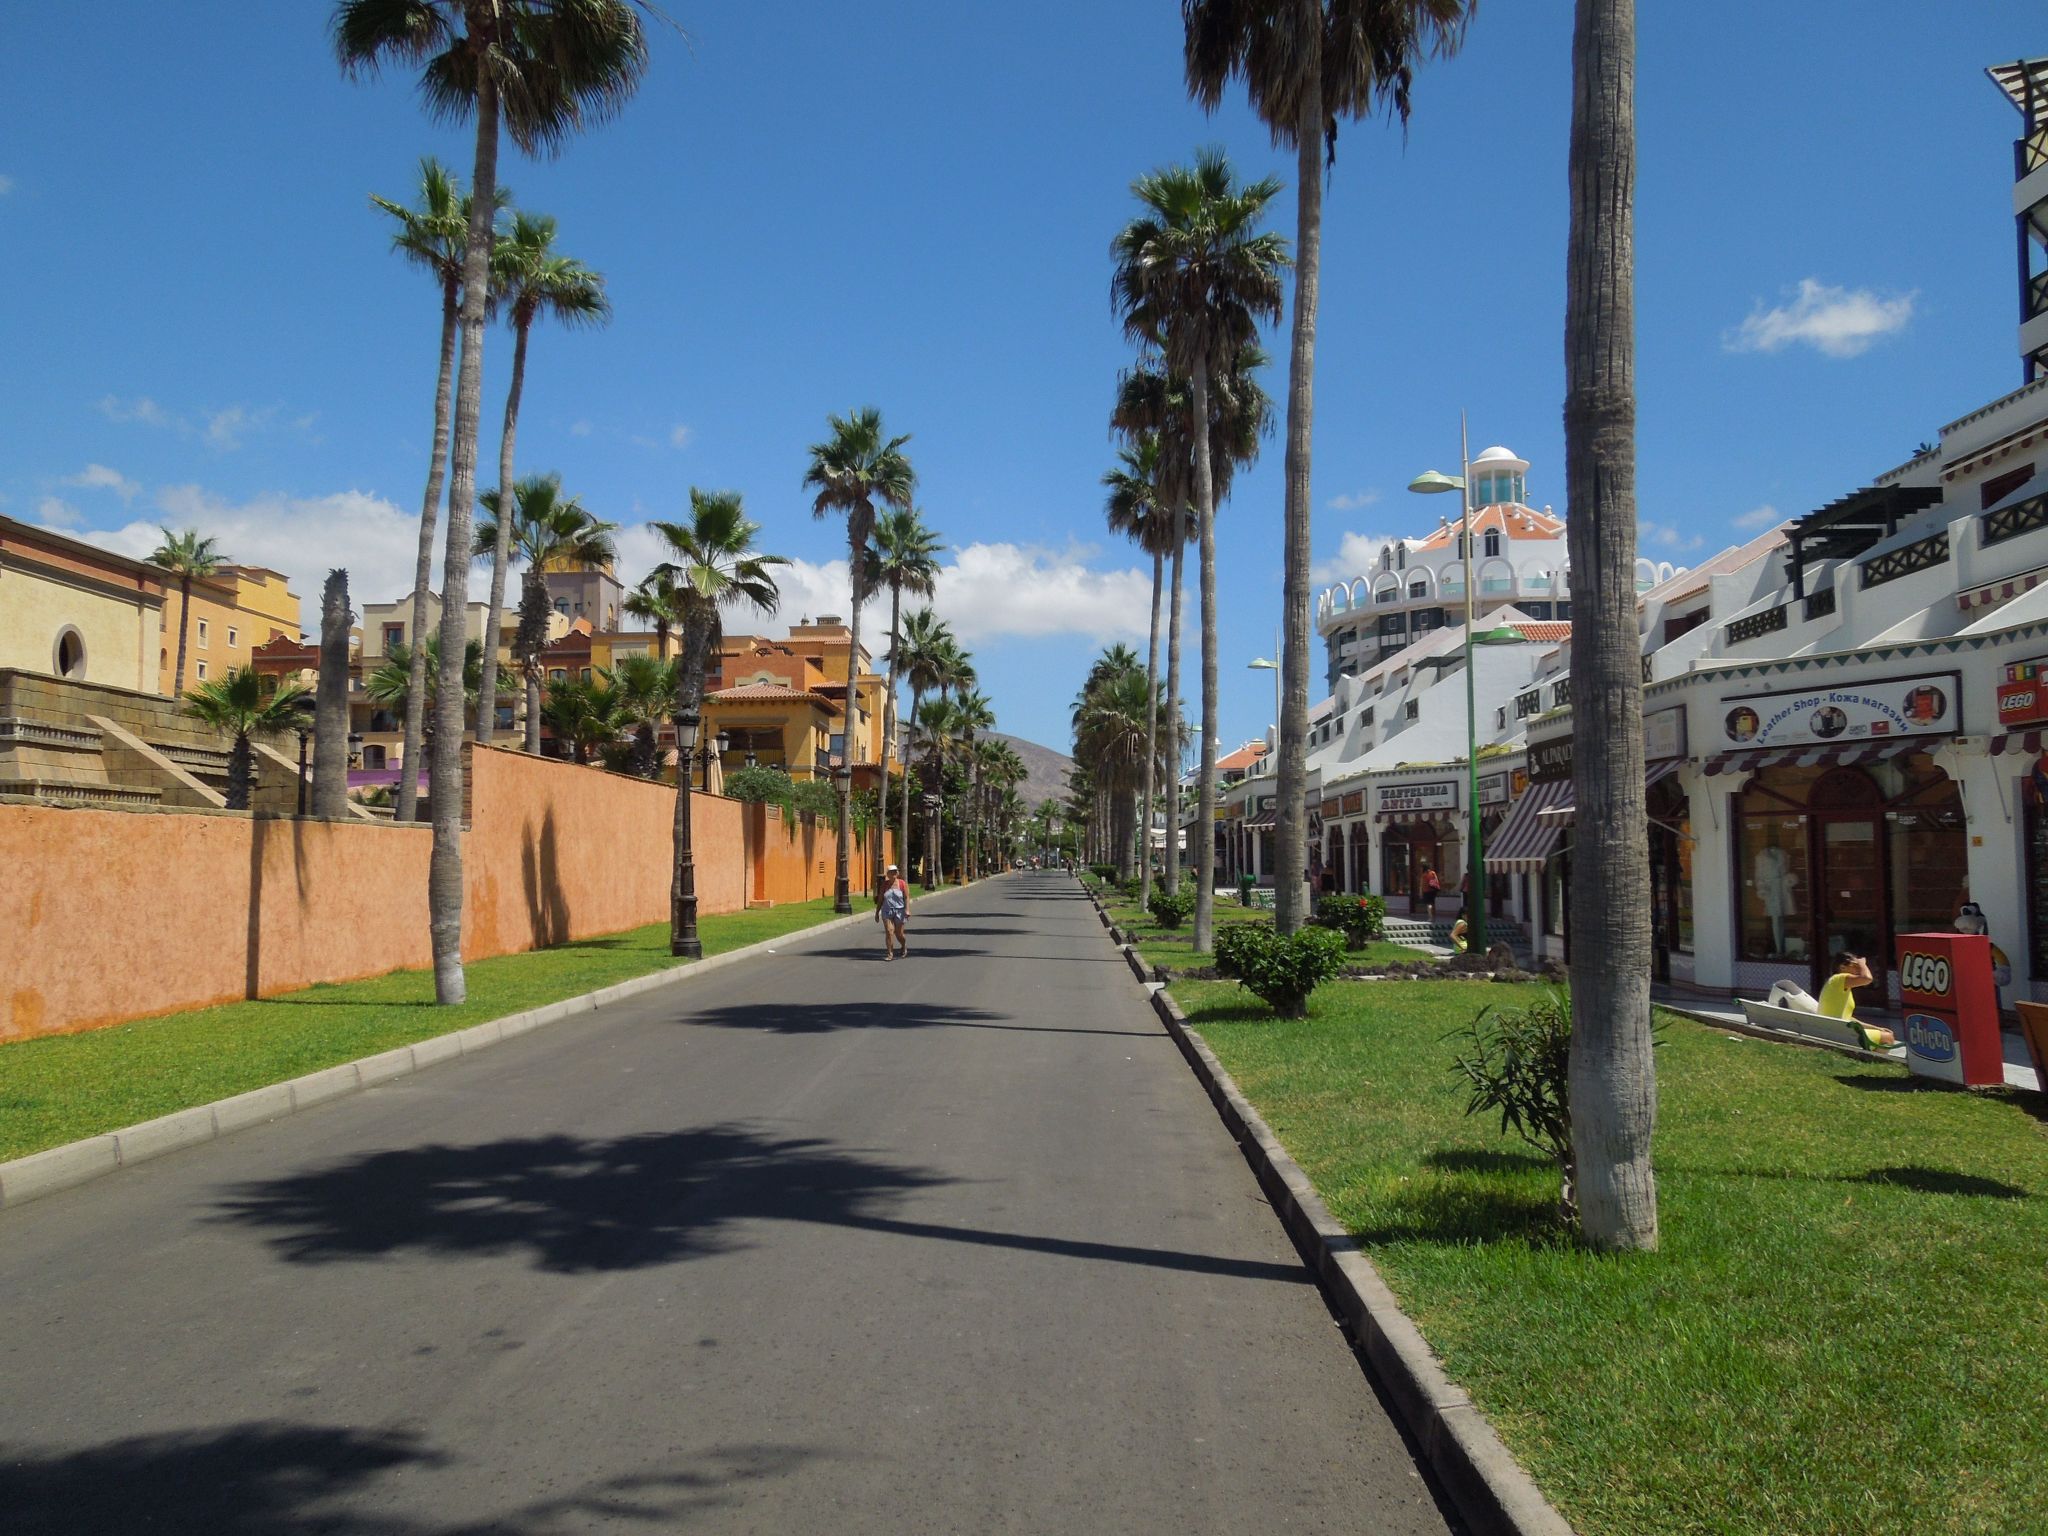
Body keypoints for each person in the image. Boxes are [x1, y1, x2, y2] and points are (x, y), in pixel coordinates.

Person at [876, 863, 910, 960]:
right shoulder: (885, 885)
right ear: (888, 874)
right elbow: (880, 899)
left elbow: (907, 897)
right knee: (889, 932)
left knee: (899, 934)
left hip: (899, 910)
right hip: (887, 911)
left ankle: (903, 945)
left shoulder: (902, 884)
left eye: (895, 872)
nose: (894, 873)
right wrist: (877, 912)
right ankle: (890, 953)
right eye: (891, 872)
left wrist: (907, 910)